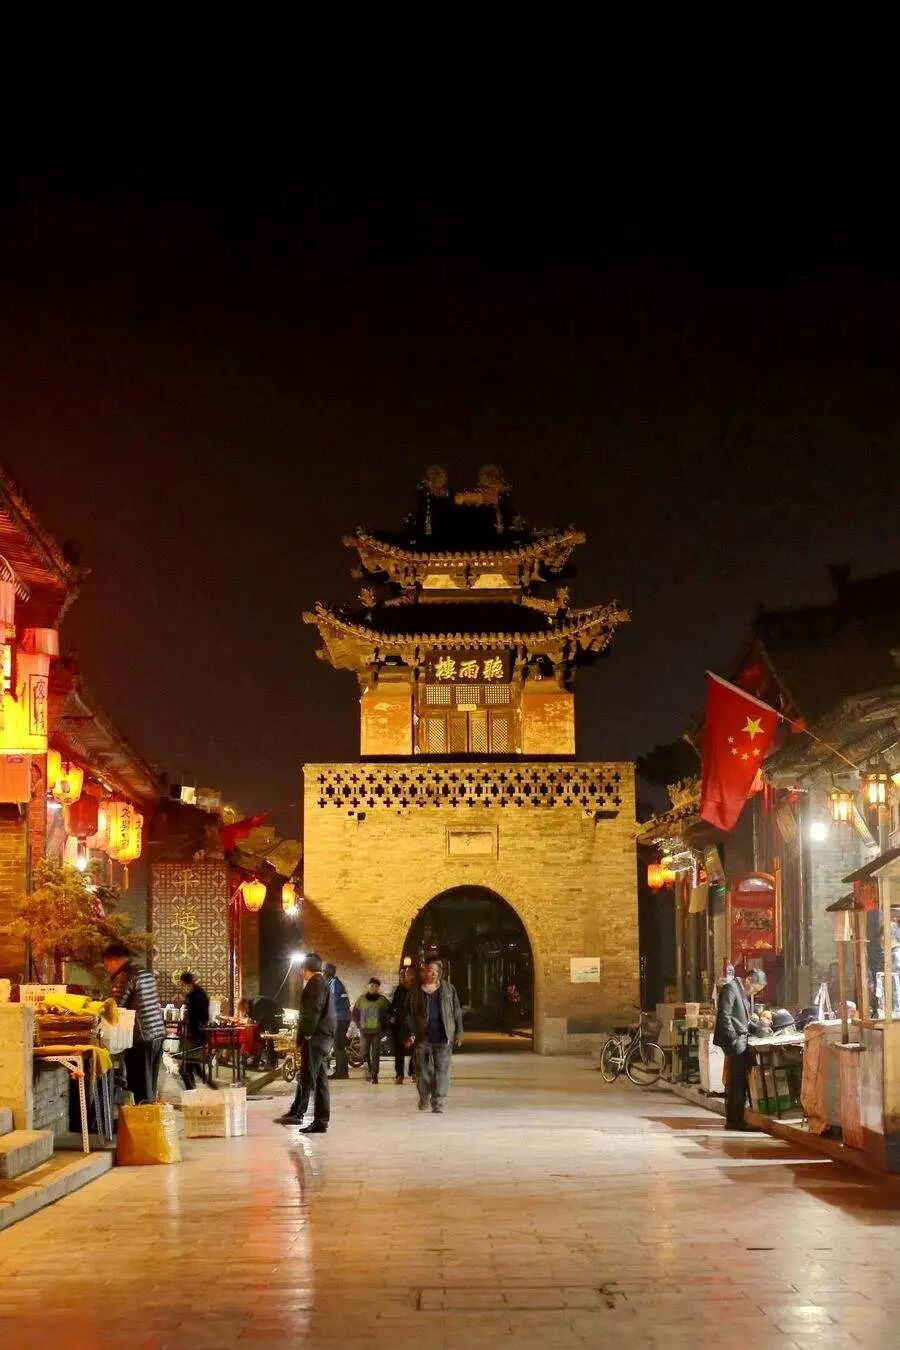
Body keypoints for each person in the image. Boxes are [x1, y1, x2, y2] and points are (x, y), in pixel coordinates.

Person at [276, 952, 335, 1133]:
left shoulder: (315, 983)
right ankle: (313, 1118)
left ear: (305, 969)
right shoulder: (321, 982)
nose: (300, 973)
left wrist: (307, 1033)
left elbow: (313, 1010)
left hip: (317, 1037)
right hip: (322, 1036)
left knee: (309, 1077)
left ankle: (305, 1116)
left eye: (301, 969)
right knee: (316, 1078)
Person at [102, 941, 165, 1105]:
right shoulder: (145, 973)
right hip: (157, 1033)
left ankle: (142, 1118)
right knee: (150, 1085)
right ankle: (149, 1115)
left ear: (114, 960)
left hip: (140, 1037)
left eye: (107, 964)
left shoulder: (125, 976)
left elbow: (113, 1007)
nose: (107, 969)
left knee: (139, 1086)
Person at [406, 958, 464, 1114]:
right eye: (427, 970)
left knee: (442, 1072)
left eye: (434, 971)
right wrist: (410, 1033)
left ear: (439, 973)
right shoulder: (415, 990)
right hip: (422, 1038)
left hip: (443, 1037)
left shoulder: (449, 989)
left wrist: (459, 1031)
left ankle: (438, 1102)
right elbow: (408, 1014)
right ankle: (424, 1097)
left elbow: (457, 1011)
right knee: (423, 1072)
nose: (430, 974)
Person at [713, 966, 767, 1130]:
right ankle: (734, 1121)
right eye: (754, 989)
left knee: (740, 1082)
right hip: (735, 1042)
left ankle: (736, 1118)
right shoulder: (731, 988)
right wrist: (734, 1040)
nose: (754, 993)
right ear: (749, 980)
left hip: (741, 1040)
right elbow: (724, 1016)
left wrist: (758, 1028)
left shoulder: (742, 992)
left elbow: (743, 1020)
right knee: (736, 1082)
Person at [352, 978, 391, 1084]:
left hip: (377, 1031)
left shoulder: (382, 1000)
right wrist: (358, 1024)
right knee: (364, 1052)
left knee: (375, 1053)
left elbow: (389, 1012)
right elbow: (355, 1013)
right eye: (372, 985)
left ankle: (374, 1075)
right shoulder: (361, 1000)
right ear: (368, 986)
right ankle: (369, 1068)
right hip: (364, 1031)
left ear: (378, 988)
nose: (373, 988)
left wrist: (385, 1025)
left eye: (376, 986)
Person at [179, 971, 210, 1089]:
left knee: (185, 1069)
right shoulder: (199, 993)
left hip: (195, 1035)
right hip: (198, 1034)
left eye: (182, 984)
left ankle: (194, 1091)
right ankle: (195, 1090)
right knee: (192, 1068)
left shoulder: (194, 996)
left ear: (185, 983)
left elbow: (196, 1016)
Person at [389, 965, 416, 1083]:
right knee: (399, 1050)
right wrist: (392, 1017)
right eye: (406, 974)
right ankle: (399, 1074)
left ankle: (413, 1072)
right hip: (399, 1024)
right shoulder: (399, 990)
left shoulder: (417, 989)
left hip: (413, 1023)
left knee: (414, 1049)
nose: (408, 976)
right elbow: (393, 1005)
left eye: (410, 973)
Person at [324, 961, 351, 1079]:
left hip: (340, 1018)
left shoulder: (334, 984)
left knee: (338, 1045)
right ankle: (343, 1070)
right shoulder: (334, 983)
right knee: (339, 1045)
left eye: (324, 973)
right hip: (341, 1018)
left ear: (326, 973)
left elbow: (333, 1001)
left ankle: (341, 1072)